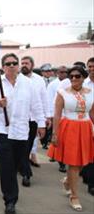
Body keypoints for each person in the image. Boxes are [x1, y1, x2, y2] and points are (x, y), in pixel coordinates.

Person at [0, 53, 45, 214]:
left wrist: (41, 124)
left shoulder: (28, 84)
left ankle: (10, 188)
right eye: (8, 63)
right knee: (6, 166)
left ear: (19, 65)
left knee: (16, 164)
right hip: (2, 131)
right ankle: (10, 200)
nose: (12, 66)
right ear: (3, 66)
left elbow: (36, 105)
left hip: (22, 131)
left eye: (15, 63)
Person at [47, 65, 94, 211]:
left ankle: (68, 181)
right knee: (73, 163)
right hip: (69, 128)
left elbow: (92, 112)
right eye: (71, 76)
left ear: (83, 77)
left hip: (86, 127)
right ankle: (74, 196)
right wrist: (55, 133)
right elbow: (57, 114)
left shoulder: (91, 92)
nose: (74, 78)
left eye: (77, 76)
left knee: (82, 161)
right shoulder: (62, 93)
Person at [19, 56, 48, 187]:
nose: (24, 65)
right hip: (19, 119)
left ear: (32, 65)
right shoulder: (17, 79)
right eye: (22, 63)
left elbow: (43, 100)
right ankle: (26, 173)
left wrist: (45, 118)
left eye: (26, 63)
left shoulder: (39, 80)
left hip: (33, 119)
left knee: (28, 146)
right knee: (20, 147)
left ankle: (24, 170)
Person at [81, 57, 94, 196]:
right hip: (87, 122)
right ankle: (91, 183)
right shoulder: (83, 84)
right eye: (89, 66)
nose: (91, 69)